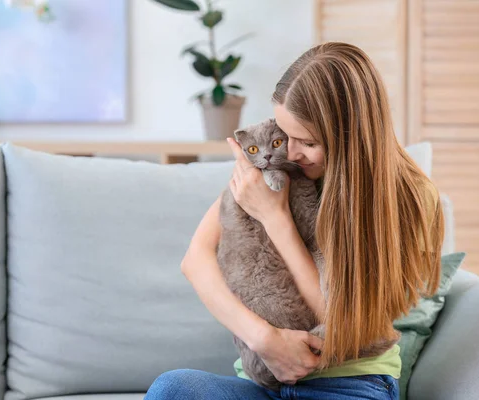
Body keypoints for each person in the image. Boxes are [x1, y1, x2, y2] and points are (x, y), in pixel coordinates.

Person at [144, 42, 444, 400]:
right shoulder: (277, 170)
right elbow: (195, 260)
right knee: (173, 389)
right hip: (261, 383)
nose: (291, 153)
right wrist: (266, 340)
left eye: (308, 141)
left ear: (350, 136)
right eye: (287, 137)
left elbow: (344, 318)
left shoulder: (407, 196)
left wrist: (276, 218)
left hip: (350, 383)